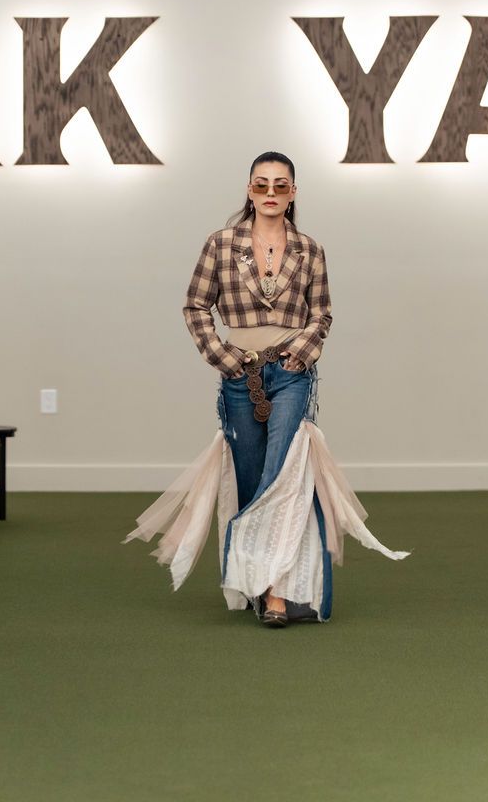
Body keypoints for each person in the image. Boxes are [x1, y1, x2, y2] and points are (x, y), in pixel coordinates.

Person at [122, 151, 411, 627]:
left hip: (292, 373)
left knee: (284, 473)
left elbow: (322, 314)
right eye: (262, 184)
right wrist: (223, 357)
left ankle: (277, 592)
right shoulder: (221, 244)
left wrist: (303, 351)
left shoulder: (310, 250)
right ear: (249, 190)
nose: (271, 193)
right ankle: (257, 580)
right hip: (240, 376)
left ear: (293, 193)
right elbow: (195, 306)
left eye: (281, 185)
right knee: (252, 477)